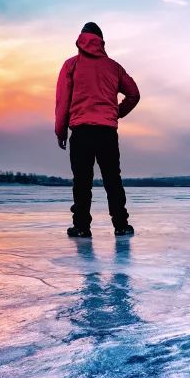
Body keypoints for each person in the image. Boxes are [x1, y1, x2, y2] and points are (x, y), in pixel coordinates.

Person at [55, 22, 140, 238]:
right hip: (107, 133)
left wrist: (60, 130)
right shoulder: (113, 67)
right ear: (101, 41)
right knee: (112, 179)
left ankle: (82, 227)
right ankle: (121, 225)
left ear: (81, 39)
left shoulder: (71, 65)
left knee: (82, 181)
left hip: (81, 132)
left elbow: (62, 101)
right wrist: (116, 113)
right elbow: (134, 95)